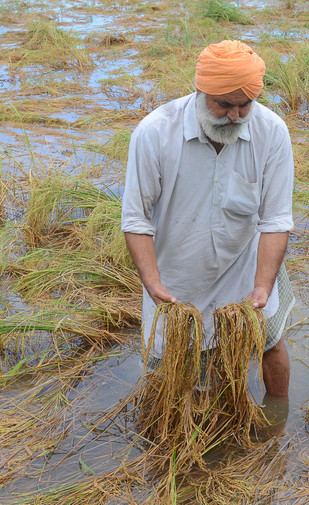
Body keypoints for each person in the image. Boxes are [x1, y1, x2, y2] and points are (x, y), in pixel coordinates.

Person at [121, 40, 295, 399]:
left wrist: (262, 286)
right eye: (224, 105)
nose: (234, 116)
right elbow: (137, 220)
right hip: (176, 280)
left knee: (271, 343)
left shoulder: (272, 133)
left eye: (244, 105)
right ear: (201, 90)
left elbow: (275, 221)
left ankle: (277, 426)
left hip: (249, 269)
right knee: (167, 371)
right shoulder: (155, 134)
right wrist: (153, 285)